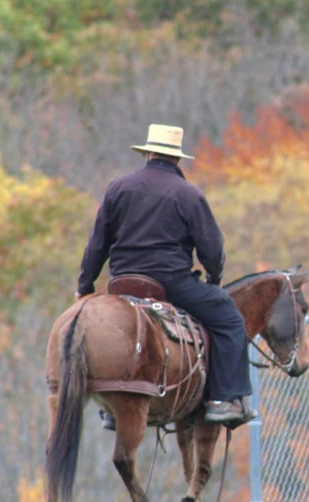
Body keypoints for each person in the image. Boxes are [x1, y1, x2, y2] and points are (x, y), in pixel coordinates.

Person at [76, 123, 256, 429]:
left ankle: (110, 407)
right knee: (230, 319)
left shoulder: (117, 188)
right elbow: (212, 247)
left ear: (148, 153)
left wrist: (85, 285)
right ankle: (223, 399)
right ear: (177, 158)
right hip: (171, 284)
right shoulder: (188, 194)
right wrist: (214, 279)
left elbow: (97, 243)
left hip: (122, 283)